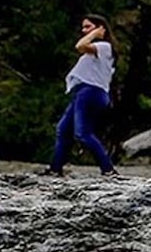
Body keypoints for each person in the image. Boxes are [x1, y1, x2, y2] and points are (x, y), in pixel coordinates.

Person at [46, 14, 118, 177]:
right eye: (83, 27)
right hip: (83, 92)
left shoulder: (104, 46)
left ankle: (108, 169)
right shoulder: (95, 50)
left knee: (83, 133)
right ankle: (55, 168)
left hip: (91, 91)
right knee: (63, 129)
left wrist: (95, 34)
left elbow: (79, 46)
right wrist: (92, 33)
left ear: (101, 29)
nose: (83, 30)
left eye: (88, 26)